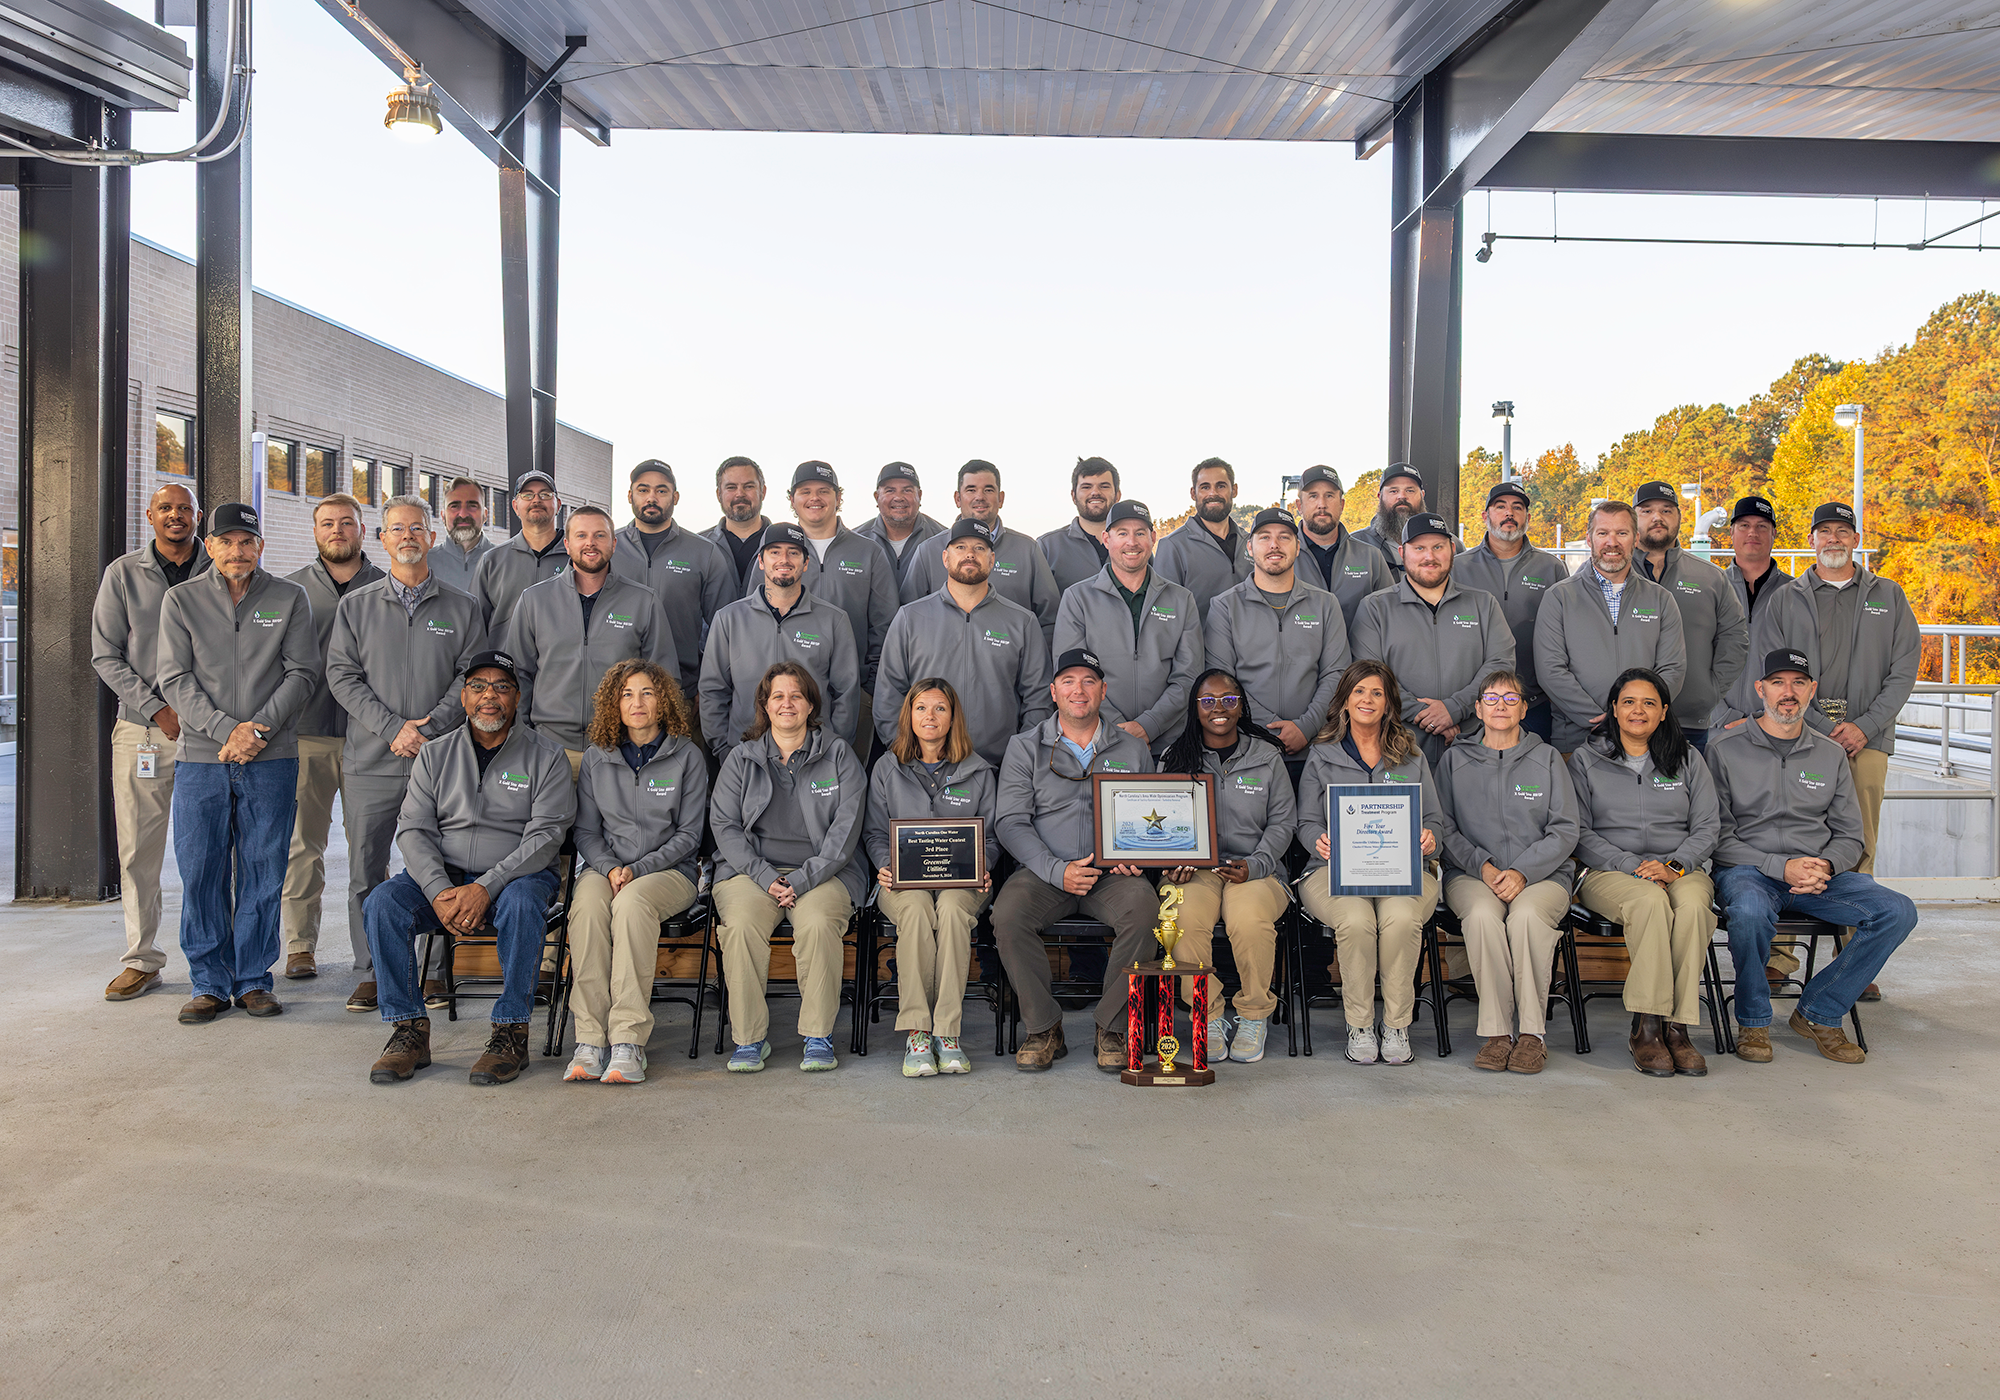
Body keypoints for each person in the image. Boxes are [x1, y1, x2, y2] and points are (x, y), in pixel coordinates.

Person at [362, 650, 576, 1086]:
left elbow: (545, 838)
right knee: (383, 902)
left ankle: (511, 1032)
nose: (489, 697)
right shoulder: (435, 754)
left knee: (520, 905)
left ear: (517, 697)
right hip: (446, 876)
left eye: (501, 687)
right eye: (478, 687)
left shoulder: (548, 757)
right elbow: (413, 829)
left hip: (519, 877)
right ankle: (409, 1031)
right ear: (463, 697)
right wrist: (441, 891)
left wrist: (487, 886)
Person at [1736, 502, 1920, 997]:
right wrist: (1816, 727)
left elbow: (1903, 671)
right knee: (1787, 832)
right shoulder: (1786, 598)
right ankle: (1780, 956)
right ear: (1812, 539)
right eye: (1824, 531)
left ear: (1856, 538)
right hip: (1799, 736)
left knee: (1858, 845)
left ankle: (1855, 956)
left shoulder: (1890, 596)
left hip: (1868, 740)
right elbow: (1768, 667)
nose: (1833, 538)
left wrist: (1864, 726)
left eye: (1843, 530)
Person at [1709, 650, 1917, 1065]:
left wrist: (1824, 865)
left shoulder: (1829, 753)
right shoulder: (1723, 748)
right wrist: (1779, 866)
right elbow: (1715, 835)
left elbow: (1849, 835)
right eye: (1779, 683)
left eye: (1799, 683)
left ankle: (1819, 1010)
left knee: (1897, 910)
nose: (1789, 693)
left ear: (1812, 691)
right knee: (1748, 912)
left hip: (1817, 876)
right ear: (1761, 689)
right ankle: (1752, 1020)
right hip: (1749, 870)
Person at [156, 502, 319, 1023]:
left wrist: (258, 730)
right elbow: (175, 678)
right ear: (209, 547)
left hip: (272, 759)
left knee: (263, 869)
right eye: (225, 541)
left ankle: (252, 979)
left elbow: (302, 673)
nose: (237, 551)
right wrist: (229, 730)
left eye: (246, 542)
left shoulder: (289, 598)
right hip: (202, 758)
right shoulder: (180, 601)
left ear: (260, 547)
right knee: (201, 869)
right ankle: (208, 981)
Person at [326, 494, 488, 1014]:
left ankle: (438, 971)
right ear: (382, 538)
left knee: (439, 865)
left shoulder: (462, 607)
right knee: (365, 869)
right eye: (397, 529)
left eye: (417, 528)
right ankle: (374, 969)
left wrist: (432, 728)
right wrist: (393, 728)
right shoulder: (355, 607)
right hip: (372, 760)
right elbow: (342, 677)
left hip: (441, 762)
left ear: (431, 537)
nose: (408, 537)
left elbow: (472, 678)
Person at [992, 649, 1159, 1072]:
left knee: (1144, 911)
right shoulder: (1024, 747)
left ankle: (1113, 1027)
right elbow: (1011, 822)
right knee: (1008, 916)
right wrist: (1055, 869)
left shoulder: (1133, 748)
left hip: (1113, 876)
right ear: (1053, 692)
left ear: (1103, 691)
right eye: (1068, 681)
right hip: (1045, 872)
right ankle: (1044, 1027)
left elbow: (1149, 812)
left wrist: (1136, 856)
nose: (1078, 690)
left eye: (1089, 681)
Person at [710, 663, 867, 1073]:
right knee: (741, 926)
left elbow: (845, 832)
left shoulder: (838, 755)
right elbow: (724, 827)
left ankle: (818, 1035)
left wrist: (800, 879)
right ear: (764, 705)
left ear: (811, 703)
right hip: (750, 873)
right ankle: (749, 1039)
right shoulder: (741, 759)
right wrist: (766, 877)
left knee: (816, 924)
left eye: (796, 695)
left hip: (825, 873)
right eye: (777, 696)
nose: (787, 704)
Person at [1568, 667, 1721, 1078]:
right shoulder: (1586, 759)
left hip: (1679, 866)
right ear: (1614, 709)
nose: (1639, 710)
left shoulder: (1688, 758)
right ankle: (1647, 1028)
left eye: (1649, 703)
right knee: (1649, 902)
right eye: (1629, 702)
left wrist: (1674, 866)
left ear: (1664, 711)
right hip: (1608, 870)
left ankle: (1678, 1028)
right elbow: (1577, 831)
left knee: (1692, 907)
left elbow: (1707, 827)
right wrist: (1630, 865)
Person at [563, 659, 709, 1087]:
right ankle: (590, 1040)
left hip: (670, 873)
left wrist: (637, 869)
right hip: (604, 869)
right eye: (627, 694)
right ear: (614, 704)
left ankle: (627, 1041)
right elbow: (586, 831)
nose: (637, 702)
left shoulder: (687, 756)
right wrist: (610, 868)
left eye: (646, 692)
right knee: (587, 906)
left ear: (663, 701)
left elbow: (689, 835)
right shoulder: (596, 758)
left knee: (631, 905)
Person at [92, 481, 210, 1001]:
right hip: (145, 731)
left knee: (213, 851)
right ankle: (142, 959)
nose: (176, 516)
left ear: (199, 516)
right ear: (150, 515)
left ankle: (217, 961)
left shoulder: (222, 567)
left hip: (210, 734)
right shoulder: (123, 574)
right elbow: (105, 654)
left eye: (184, 509)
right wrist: (158, 708)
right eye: (166, 508)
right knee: (139, 848)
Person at [1297, 661, 1447, 1066]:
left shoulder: (1411, 754)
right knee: (1358, 921)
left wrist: (1430, 837)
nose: (1368, 699)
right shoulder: (1322, 755)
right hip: (1332, 870)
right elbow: (1305, 821)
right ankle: (1360, 1024)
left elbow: (1434, 819)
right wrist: (1317, 839)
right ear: (1345, 700)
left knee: (1399, 918)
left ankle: (1396, 1025)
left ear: (1389, 704)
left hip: (1405, 870)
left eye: (1377, 693)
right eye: (1360, 691)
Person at [1435, 671, 1580, 1075]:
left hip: (1543, 875)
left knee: (1528, 918)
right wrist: (1481, 865)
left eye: (1510, 698)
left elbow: (1566, 829)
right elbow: (1442, 826)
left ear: (1524, 707)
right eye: (1491, 698)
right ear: (1478, 708)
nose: (1501, 705)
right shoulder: (1454, 759)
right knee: (1482, 916)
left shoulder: (1548, 758)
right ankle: (1498, 1034)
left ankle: (1532, 1035)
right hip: (1470, 874)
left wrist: (1522, 870)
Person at [1156, 670, 1297, 1065]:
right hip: (1196, 871)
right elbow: (1161, 822)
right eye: (1207, 701)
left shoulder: (1266, 756)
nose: (1218, 708)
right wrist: (1173, 862)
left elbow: (1284, 822)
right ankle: (1209, 1014)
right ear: (1194, 708)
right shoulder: (1176, 757)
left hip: (1258, 870)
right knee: (1179, 918)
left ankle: (1253, 1014)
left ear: (1241, 705)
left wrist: (1255, 865)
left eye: (1228, 699)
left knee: (1249, 918)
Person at [864, 678, 999, 1077]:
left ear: (953, 717)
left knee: (955, 911)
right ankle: (918, 1032)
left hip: (964, 884)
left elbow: (992, 836)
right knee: (919, 911)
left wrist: (984, 864)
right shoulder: (887, 768)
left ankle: (948, 1033)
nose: (930, 716)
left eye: (940, 708)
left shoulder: (978, 770)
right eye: (921, 707)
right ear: (908, 714)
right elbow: (873, 832)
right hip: (903, 883)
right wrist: (883, 864)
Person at [279, 494, 385, 981]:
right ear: (314, 531)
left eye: (347, 523)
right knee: (305, 844)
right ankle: (301, 944)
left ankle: (375, 949)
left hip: (372, 738)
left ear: (364, 530)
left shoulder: (387, 587)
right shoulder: (289, 591)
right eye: (327, 523)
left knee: (371, 849)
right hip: (309, 735)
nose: (337, 530)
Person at [746, 462, 900, 763]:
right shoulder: (775, 554)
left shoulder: (868, 553)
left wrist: (865, 684)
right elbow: (752, 619)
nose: (814, 498)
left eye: (824, 491)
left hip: (847, 699)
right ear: (792, 500)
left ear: (838, 497)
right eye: (805, 491)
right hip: (778, 705)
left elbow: (886, 626)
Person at [508, 505, 675, 777]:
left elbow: (663, 679)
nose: (590, 543)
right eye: (581, 535)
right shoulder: (534, 600)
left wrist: (646, 742)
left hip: (620, 748)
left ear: (614, 543)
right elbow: (518, 676)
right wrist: (524, 737)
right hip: (551, 747)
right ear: (567, 544)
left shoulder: (644, 601)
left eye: (599, 536)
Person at [873, 518, 1052, 766]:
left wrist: (1020, 758)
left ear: (992, 560)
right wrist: (907, 753)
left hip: (998, 768)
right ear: (945, 558)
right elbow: (888, 694)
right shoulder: (910, 618)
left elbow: (1038, 699)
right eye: (960, 547)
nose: (970, 554)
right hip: (923, 767)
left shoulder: (1022, 622)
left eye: (979, 548)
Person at [1347, 512, 1515, 766]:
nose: (1430, 557)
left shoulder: (1483, 604)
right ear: (1402, 553)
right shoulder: (1375, 608)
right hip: (1398, 749)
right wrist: (1428, 716)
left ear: (1451, 550)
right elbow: (1370, 675)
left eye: (1438, 547)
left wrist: (1455, 708)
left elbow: (1500, 664)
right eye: (1419, 548)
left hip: (1472, 745)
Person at [1203, 507, 1351, 783]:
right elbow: (1221, 681)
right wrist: (1267, 730)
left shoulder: (1325, 604)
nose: (1274, 545)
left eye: (1284, 537)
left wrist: (1305, 727)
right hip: (1248, 751)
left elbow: (1337, 673)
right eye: (1264, 537)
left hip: (1317, 751)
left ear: (1298, 548)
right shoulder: (1225, 606)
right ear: (1250, 547)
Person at [1052, 500, 1205, 753]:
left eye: (1140, 533)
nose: (1131, 542)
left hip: (1168, 744)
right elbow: (1071, 676)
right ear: (1106, 539)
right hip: (1099, 742)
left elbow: (1188, 676)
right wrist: (1117, 727)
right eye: (1122, 533)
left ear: (1153, 538)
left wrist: (1149, 724)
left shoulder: (1181, 599)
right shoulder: (1077, 598)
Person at [1535, 501, 1687, 755]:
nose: (1612, 542)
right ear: (1589, 539)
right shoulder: (1559, 598)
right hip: (1577, 742)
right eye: (1603, 533)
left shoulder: (1660, 599)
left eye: (1622, 533)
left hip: (1646, 743)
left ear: (1636, 539)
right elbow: (1550, 671)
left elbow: (1672, 668)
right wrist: (1602, 720)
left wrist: (1637, 718)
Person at [699, 522, 861, 758]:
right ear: (761, 561)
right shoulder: (728, 619)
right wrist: (724, 748)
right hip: (745, 752)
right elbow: (713, 690)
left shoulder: (833, 620)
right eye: (775, 552)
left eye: (793, 552)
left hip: (813, 755)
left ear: (806, 563)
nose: (784, 559)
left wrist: (831, 748)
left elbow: (846, 694)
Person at [608, 460, 735, 723]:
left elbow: (725, 630)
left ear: (675, 497)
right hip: (616, 696)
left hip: (682, 694)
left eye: (662, 491)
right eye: (643, 490)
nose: (652, 497)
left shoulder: (704, 553)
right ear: (630, 495)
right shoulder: (608, 549)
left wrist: (708, 687)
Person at [1632, 480, 1748, 752]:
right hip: (1625, 719)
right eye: (1647, 511)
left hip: (1688, 721)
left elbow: (1735, 640)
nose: (1657, 517)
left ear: (1679, 518)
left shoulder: (1710, 577)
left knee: (1685, 792)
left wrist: (1707, 692)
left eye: (1666, 510)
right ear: (1633, 518)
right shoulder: (1614, 575)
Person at [899, 460, 1061, 648]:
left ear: (1001, 498)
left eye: (988, 490)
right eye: (971, 490)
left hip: (1007, 668)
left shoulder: (1027, 550)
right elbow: (908, 616)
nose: (980, 497)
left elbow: (1050, 619)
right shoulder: (929, 550)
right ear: (957, 498)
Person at [1454, 480, 1569, 740]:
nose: (1510, 513)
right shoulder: (1458, 568)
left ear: (1527, 517)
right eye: (1501, 507)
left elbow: (1567, 635)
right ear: (1485, 515)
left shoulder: (1551, 568)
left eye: (1517, 508)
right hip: (1474, 703)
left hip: (1534, 702)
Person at [1292, 465, 1392, 631]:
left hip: (1360, 656)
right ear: (1299, 506)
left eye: (1329, 495)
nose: (1321, 504)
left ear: (1342, 504)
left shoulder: (1371, 557)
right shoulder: (1282, 559)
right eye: (1313, 496)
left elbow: (1390, 615)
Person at [1152, 457, 1251, 623]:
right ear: (1193, 493)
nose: (1213, 493)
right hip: (1199, 648)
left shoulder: (1252, 543)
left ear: (1234, 490)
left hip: (1251, 647)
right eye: (1205, 487)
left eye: (1221, 486)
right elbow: (1165, 619)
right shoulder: (1173, 546)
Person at [473, 470, 566, 638]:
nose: (536, 500)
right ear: (515, 506)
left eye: (545, 494)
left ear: (558, 505)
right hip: (506, 663)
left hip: (562, 663)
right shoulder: (492, 561)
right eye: (527, 495)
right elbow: (474, 627)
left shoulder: (577, 559)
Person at [1351, 463, 1455, 580]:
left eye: (1410, 490)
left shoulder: (1448, 544)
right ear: (1380, 497)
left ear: (1422, 495)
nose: (1402, 496)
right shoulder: (1355, 545)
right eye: (1393, 491)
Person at [853, 461, 944, 591]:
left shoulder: (943, 540)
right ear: (877, 497)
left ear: (919, 496)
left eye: (907, 490)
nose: (899, 497)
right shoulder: (856, 542)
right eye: (890, 491)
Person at [1038, 457, 1119, 594]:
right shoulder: (1047, 547)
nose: (1095, 492)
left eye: (1104, 486)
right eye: (1086, 487)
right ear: (1073, 495)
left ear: (1117, 495)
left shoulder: (1134, 545)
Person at [701, 455, 771, 594]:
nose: (740, 494)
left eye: (749, 486)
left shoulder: (783, 545)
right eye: (731, 487)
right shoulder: (699, 546)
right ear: (718, 494)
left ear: (762, 492)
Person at [427, 476, 495, 594]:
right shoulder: (425, 563)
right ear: (443, 516)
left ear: (485, 515)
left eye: (472, 505)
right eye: (454, 506)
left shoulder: (503, 561)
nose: (463, 514)